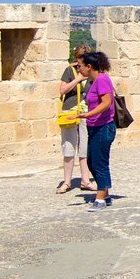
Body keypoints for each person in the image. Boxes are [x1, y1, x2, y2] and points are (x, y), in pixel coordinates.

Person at [76, 51, 116, 212]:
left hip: (103, 126)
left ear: (89, 66)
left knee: (100, 163)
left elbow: (106, 103)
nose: (79, 70)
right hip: (94, 126)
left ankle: (100, 198)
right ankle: (105, 192)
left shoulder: (102, 79)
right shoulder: (93, 81)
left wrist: (87, 114)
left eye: (80, 66)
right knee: (92, 161)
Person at [56, 45, 95, 194]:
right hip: (70, 113)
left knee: (84, 147)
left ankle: (85, 180)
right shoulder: (70, 71)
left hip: (86, 113)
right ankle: (67, 182)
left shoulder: (91, 72)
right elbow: (62, 90)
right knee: (68, 147)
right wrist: (77, 79)